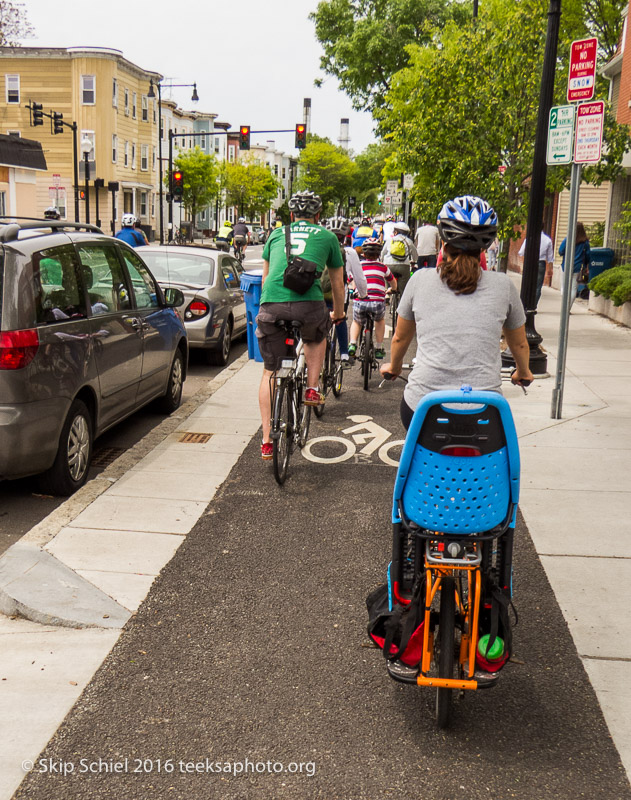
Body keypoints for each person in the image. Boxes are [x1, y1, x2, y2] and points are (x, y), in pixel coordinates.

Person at [380, 194, 533, 430]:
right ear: (484, 247)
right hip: (485, 413)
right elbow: (520, 345)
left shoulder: (420, 280)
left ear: (443, 242)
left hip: (423, 408)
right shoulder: (503, 286)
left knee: (418, 459)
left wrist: (394, 367)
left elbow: (401, 337)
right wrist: (523, 372)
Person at [256, 191, 346, 460]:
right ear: (318, 216)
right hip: (309, 305)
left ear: (292, 215)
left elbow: (265, 278)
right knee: (316, 336)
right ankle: (311, 387)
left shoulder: (275, 234)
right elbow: (338, 284)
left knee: (269, 372)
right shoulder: (328, 237)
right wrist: (338, 314)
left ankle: (266, 441)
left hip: (271, 305)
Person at [324, 216, 369, 366]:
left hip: (318, 295)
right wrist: (363, 294)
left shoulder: (320, 248)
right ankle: (344, 353)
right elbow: (359, 277)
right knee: (340, 318)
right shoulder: (349, 252)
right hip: (338, 296)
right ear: (345, 236)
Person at [348, 237, 396, 361]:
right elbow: (392, 281)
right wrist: (393, 289)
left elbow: (351, 279)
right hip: (377, 302)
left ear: (363, 253)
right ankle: (379, 348)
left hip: (361, 300)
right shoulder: (383, 267)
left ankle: (352, 343)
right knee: (379, 320)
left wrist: (354, 289)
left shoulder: (359, 266)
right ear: (379, 253)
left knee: (357, 322)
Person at [518, 224, 554, 308]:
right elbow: (550, 257)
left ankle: (525, 304)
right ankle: (533, 306)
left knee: (527, 284)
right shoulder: (547, 240)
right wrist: (550, 268)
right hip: (541, 263)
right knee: (537, 287)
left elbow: (521, 252)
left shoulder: (529, 238)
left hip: (530, 262)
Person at [379, 220, 418, 296]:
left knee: (386, 277)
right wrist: (414, 261)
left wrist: (382, 261)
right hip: (404, 266)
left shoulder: (390, 240)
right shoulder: (408, 241)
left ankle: (386, 292)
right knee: (404, 287)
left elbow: (383, 252)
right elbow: (415, 253)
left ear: (396, 231)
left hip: (389, 264)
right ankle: (402, 298)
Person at [559, 222, 590, 311]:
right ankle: (567, 309)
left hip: (566, 265)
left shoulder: (567, 239)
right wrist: (586, 265)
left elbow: (560, 251)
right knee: (573, 288)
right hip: (577, 267)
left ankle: (564, 306)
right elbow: (588, 255)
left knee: (563, 287)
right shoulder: (585, 242)